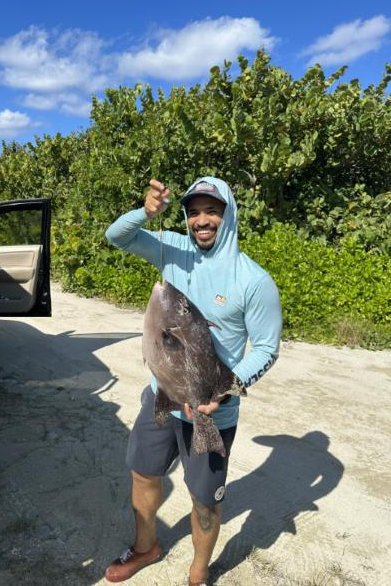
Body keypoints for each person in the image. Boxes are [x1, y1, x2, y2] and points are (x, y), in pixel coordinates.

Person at [104, 177, 282, 585]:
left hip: (212, 409)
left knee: (204, 499)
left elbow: (266, 349)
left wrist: (225, 390)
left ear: (228, 215)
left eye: (212, 211)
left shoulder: (253, 280)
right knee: (143, 473)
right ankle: (146, 547)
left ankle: (198, 575)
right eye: (194, 211)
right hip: (161, 395)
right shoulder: (173, 249)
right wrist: (145, 213)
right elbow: (117, 236)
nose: (202, 220)